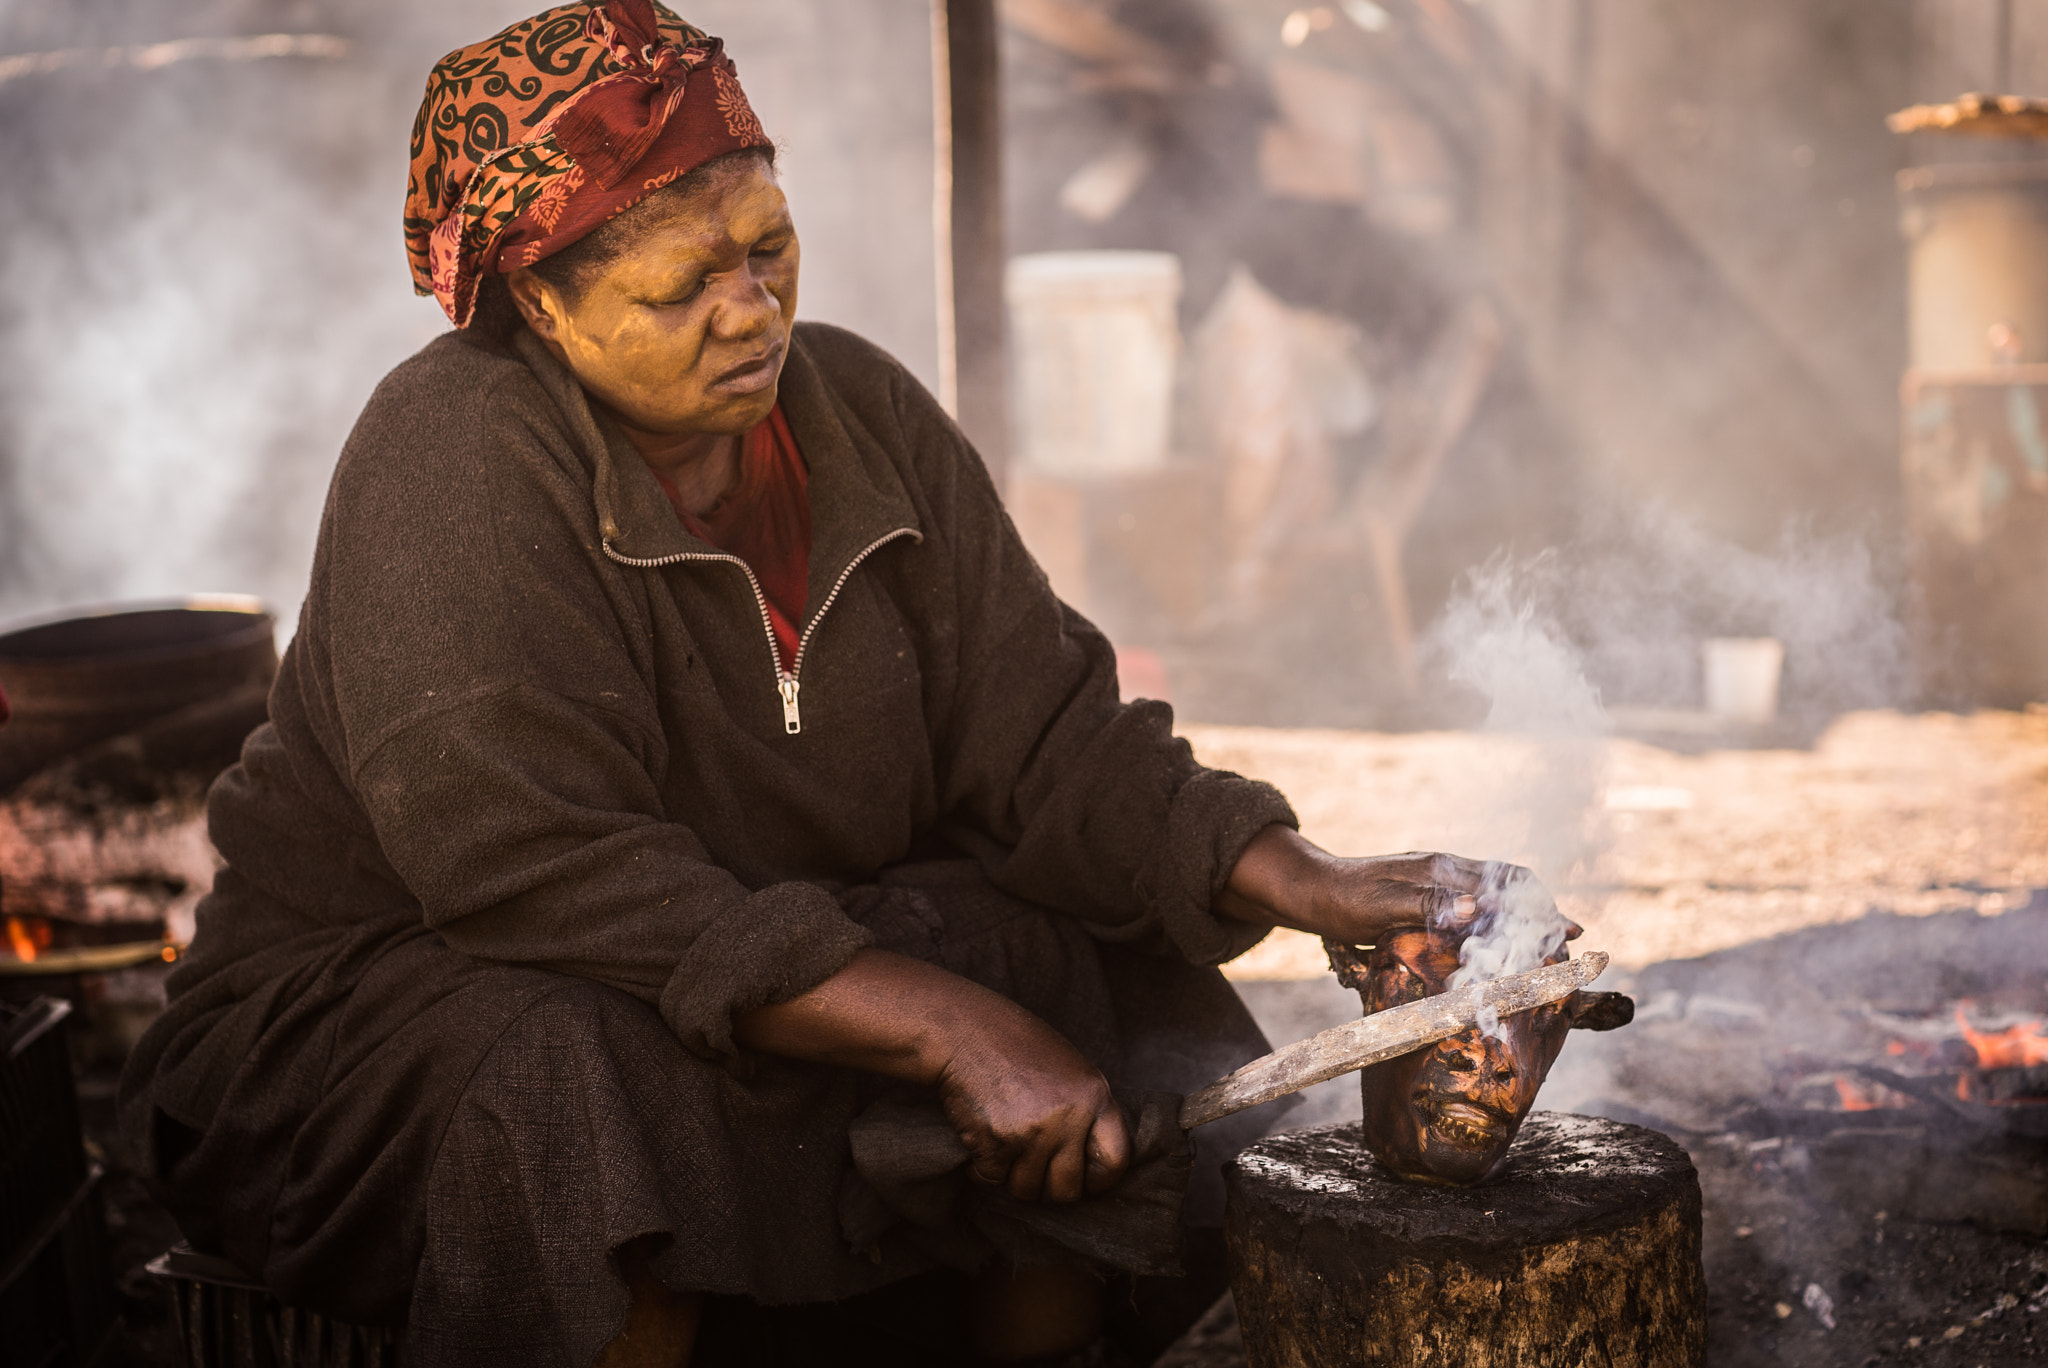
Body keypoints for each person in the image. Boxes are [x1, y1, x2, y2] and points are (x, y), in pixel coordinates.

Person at [119, 4, 1564, 1364]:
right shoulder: (449, 456)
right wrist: (945, 1025)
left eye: (768, 247)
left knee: (1046, 951)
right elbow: (536, 871)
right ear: (543, 310)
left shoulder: (858, 407)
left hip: (750, 954)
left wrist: (1318, 881)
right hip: (371, 1020)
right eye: (680, 285)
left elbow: (1051, 739)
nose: (749, 311)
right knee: (582, 1081)